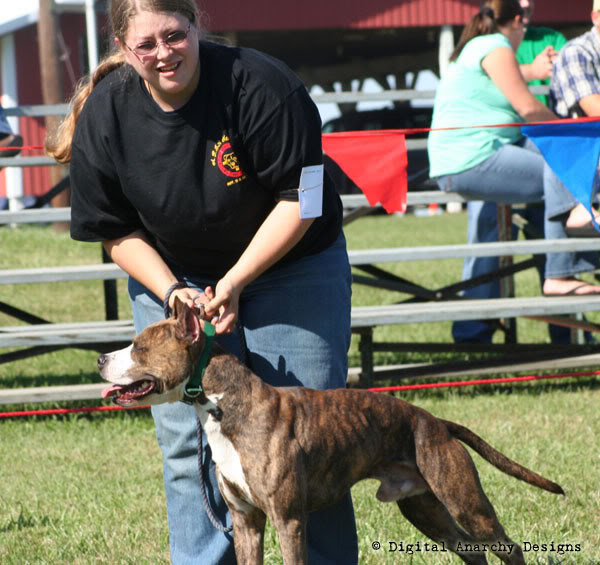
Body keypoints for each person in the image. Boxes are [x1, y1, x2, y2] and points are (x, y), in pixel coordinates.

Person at [46, 1, 358, 563]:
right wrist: (171, 290)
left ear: (196, 27)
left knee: (308, 433)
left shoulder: (262, 87)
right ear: (123, 47)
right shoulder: (107, 114)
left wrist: (235, 279)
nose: (164, 53)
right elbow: (114, 231)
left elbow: (303, 201)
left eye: (174, 35)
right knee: (186, 439)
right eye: (146, 44)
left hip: (293, 263)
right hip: (172, 271)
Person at [427, 0, 600, 310]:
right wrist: (570, 136)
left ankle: (580, 213)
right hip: (469, 159)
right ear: (519, 21)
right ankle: (560, 273)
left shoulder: (479, 45)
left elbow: (517, 84)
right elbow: (529, 108)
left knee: (565, 157)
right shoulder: (496, 46)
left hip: (480, 151)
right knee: (560, 158)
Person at [452, 0, 572, 344]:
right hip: (491, 148)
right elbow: (524, 101)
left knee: (551, 217)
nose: (527, 7)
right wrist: (532, 72)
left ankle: (563, 331)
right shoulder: (494, 44)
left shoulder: (547, 37)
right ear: (513, 16)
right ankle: (473, 331)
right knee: (486, 227)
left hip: (514, 143)